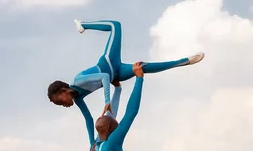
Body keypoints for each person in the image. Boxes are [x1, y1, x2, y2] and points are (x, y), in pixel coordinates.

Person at [47, 19, 204, 119]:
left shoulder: (77, 81)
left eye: (60, 102)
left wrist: (107, 102)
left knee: (115, 26)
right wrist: (91, 144)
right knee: (143, 68)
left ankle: (83, 24)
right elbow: (88, 119)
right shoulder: (78, 99)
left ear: (63, 91)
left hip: (109, 61)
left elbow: (104, 78)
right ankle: (184, 62)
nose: (63, 105)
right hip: (118, 74)